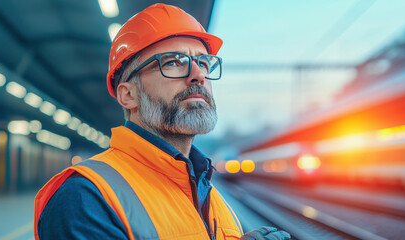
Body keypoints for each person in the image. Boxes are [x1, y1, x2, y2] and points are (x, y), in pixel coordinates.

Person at [34, 3, 290, 240]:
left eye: (203, 62)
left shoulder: (209, 194)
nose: (198, 74)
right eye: (174, 62)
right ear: (128, 95)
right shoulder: (84, 197)